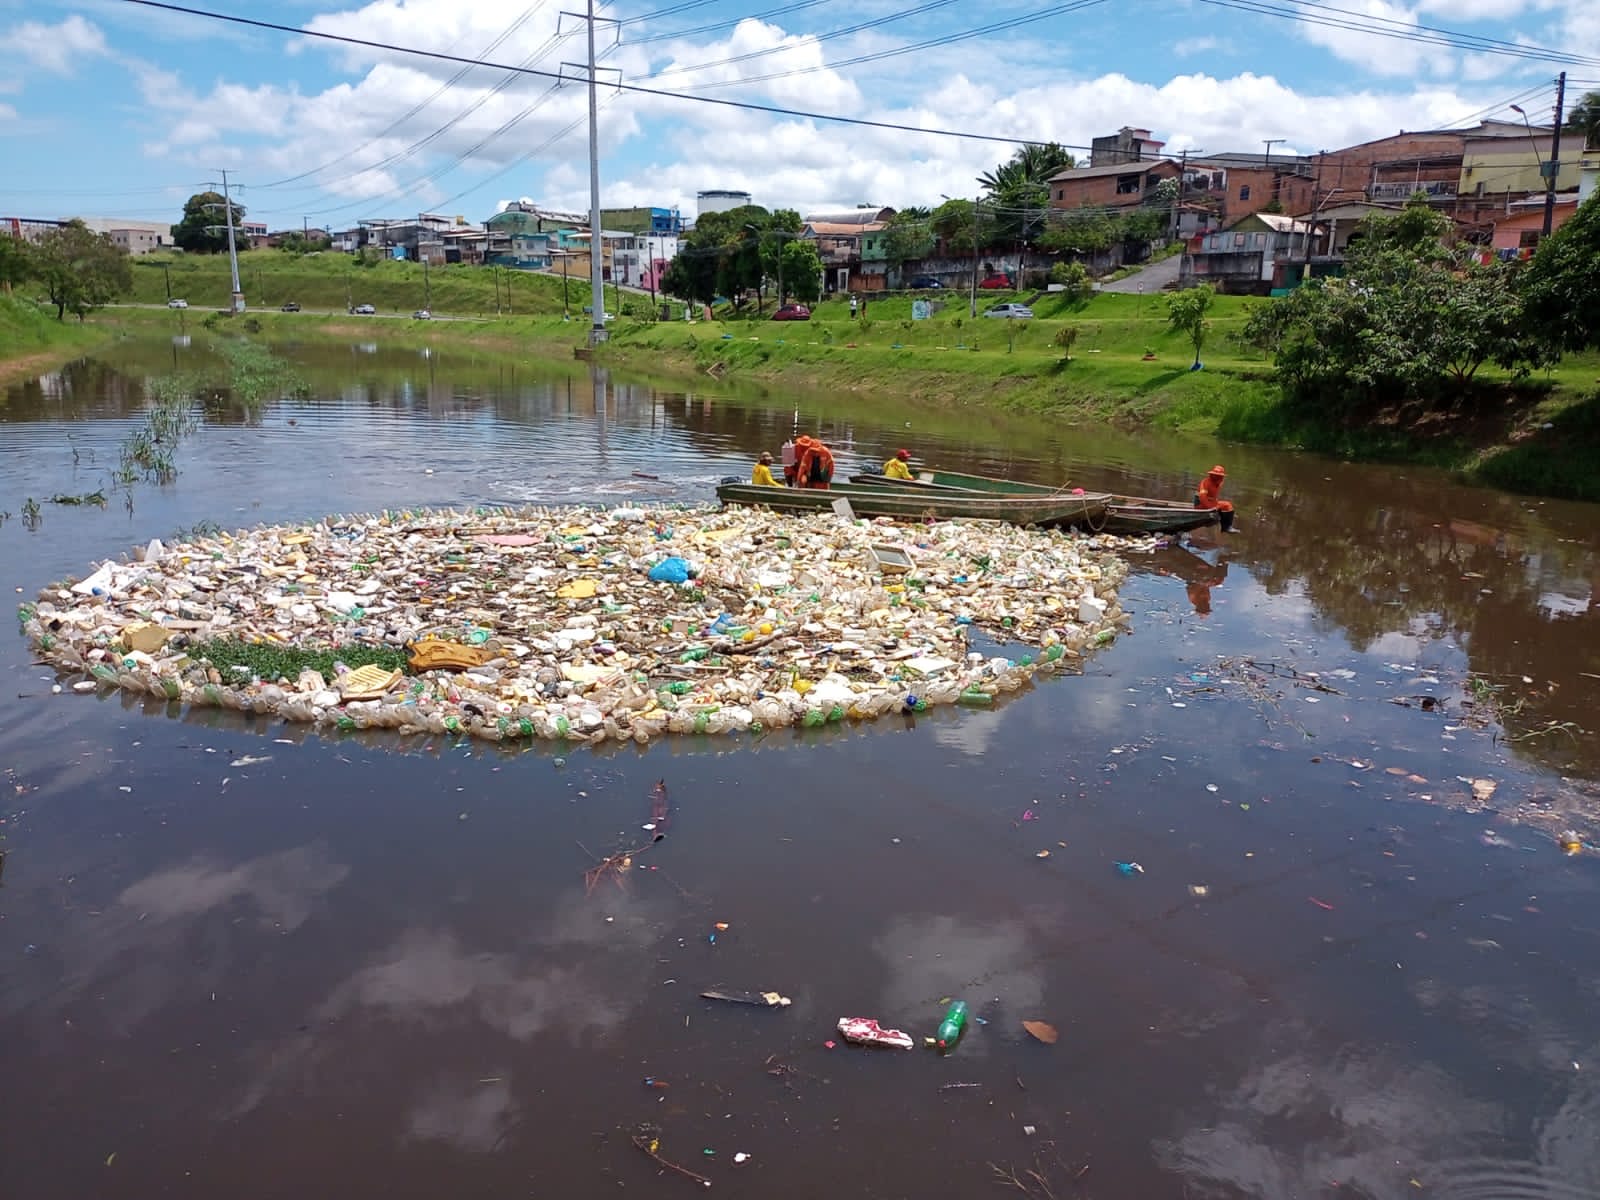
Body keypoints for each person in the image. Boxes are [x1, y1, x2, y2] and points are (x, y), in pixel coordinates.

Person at [1195, 464, 1236, 533]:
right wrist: (1211, 509)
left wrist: (1216, 505)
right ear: (1212, 475)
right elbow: (1202, 498)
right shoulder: (1205, 482)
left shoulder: (1218, 483)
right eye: (1216, 476)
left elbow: (1214, 497)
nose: (1219, 478)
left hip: (1211, 504)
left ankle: (1227, 527)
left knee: (1228, 505)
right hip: (1201, 505)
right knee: (1220, 509)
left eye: (1220, 476)